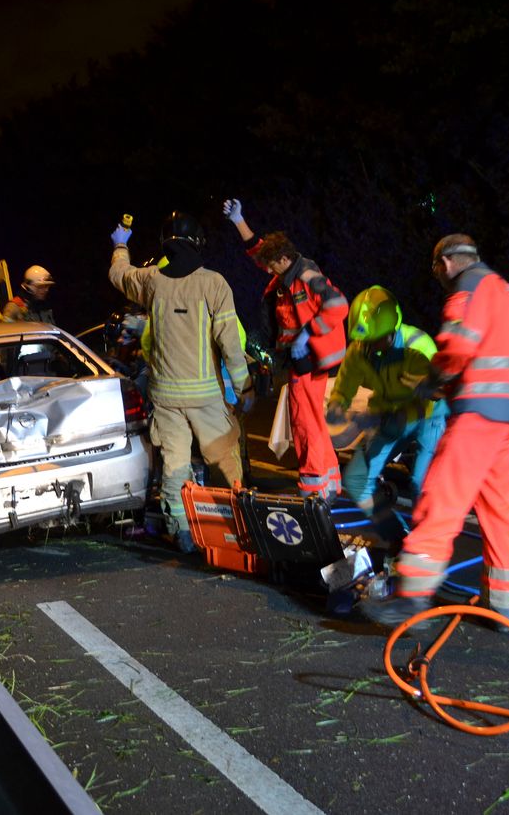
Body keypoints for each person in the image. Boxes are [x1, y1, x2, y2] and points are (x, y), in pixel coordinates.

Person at [361, 234, 509, 630]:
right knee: (497, 511)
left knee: (440, 497)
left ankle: (411, 600)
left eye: (437, 269)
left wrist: (430, 382)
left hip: (478, 412)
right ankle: (503, 606)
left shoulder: (467, 288)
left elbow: (456, 348)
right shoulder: (507, 290)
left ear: (447, 262)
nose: (438, 277)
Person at [109, 211, 253, 553]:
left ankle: (183, 533)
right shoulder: (213, 284)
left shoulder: (152, 281)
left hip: (166, 397)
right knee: (224, 460)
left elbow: (119, 274)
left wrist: (119, 244)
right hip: (205, 397)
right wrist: (244, 388)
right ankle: (236, 528)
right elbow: (231, 344)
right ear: (198, 242)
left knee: (175, 466)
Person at [223, 198, 348, 500]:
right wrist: (239, 221)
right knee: (313, 420)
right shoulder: (288, 273)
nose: (264, 270)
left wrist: (306, 335)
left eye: (269, 265)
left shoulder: (306, 277)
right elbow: (258, 250)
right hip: (305, 359)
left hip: (307, 360)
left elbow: (338, 305)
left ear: (281, 260)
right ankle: (328, 479)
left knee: (303, 422)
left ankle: (312, 483)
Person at [326, 285, 449, 571]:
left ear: (392, 331)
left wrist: (421, 392)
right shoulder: (361, 348)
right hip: (391, 415)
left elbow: (441, 391)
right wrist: (337, 408)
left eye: (375, 341)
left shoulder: (419, 346)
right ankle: (399, 539)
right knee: (356, 480)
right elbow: (343, 389)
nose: (369, 349)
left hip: (427, 416)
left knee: (422, 483)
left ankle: (425, 551)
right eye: (364, 342)